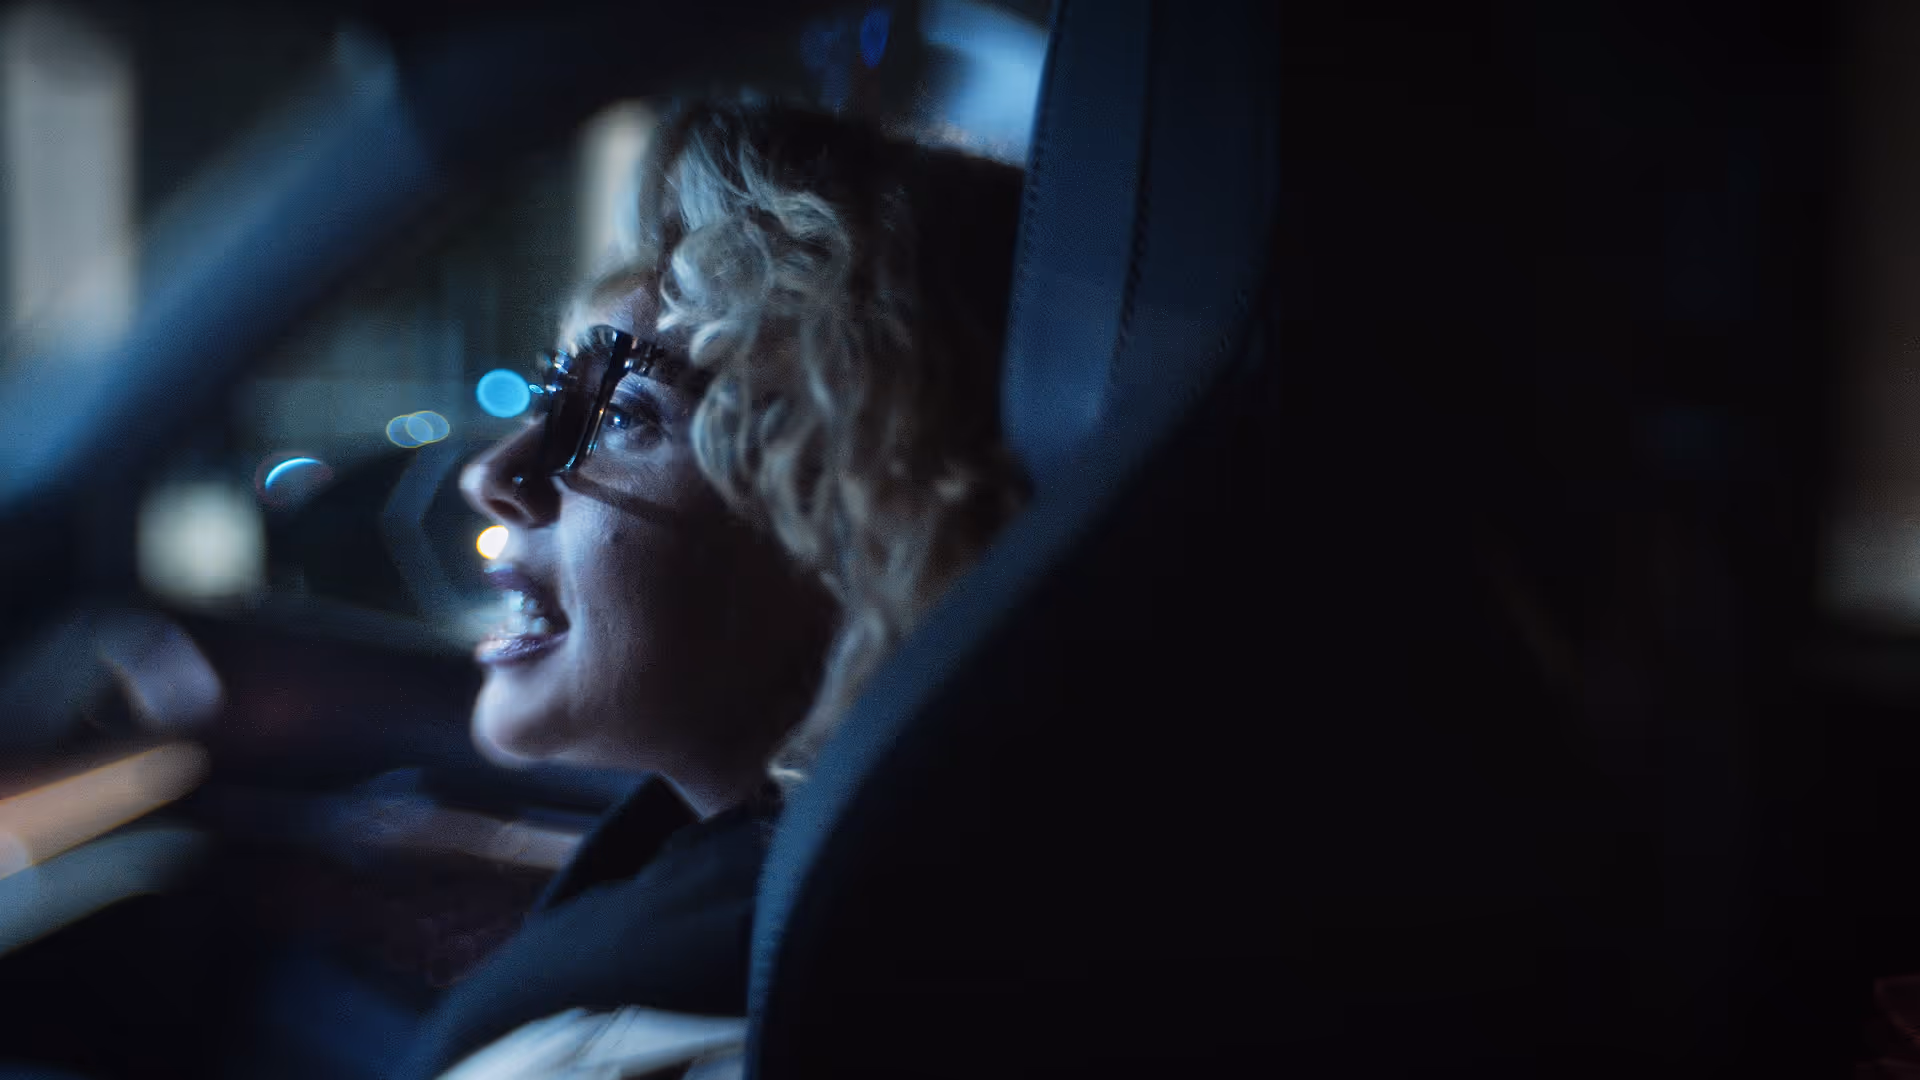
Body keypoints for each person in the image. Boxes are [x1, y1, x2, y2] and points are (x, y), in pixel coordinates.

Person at [394, 96, 1028, 1079]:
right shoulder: (852, 902)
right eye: (552, 395)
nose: (494, 476)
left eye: (623, 414)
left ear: (865, 521)